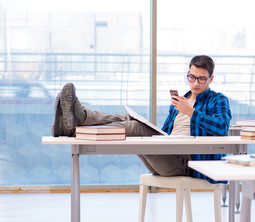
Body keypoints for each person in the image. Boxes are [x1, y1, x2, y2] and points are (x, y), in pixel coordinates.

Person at [51, 55, 232, 182]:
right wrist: (182, 109)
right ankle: (77, 122)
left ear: (211, 79)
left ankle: (78, 120)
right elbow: (164, 134)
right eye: (191, 77)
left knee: (137, 128)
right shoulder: (181, 100)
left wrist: (190, 111)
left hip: (189, 164)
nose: (195, 83)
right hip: (169, 155)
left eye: (201, 79)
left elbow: (222, 127)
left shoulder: (218, 100)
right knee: (129, 120)